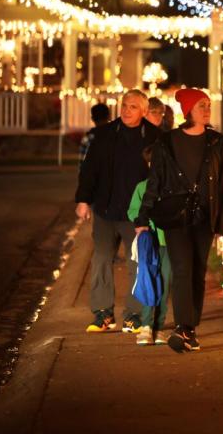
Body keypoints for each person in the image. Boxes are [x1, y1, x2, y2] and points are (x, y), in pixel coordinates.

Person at [136, 88, 223, 353]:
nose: (206, 109)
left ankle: (190, 328)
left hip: (205, 217)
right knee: (181, 269)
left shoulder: (217, 142)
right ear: (188, 110)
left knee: (197, 270)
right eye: (201, 105)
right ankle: (183, 327)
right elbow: (154, 182)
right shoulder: (166, 142)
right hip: (175, 216)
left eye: (208, 105)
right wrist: (142, 217)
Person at [76, 89, 161, 333]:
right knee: (101, 259)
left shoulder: (155, 137)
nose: (126, 110)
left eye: (133, 107)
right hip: (105, 209)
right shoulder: (105, 134)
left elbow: (159, 178)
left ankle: (133, 314)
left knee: (136, 263)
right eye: (124, 105)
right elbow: (89, 169)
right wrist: (83, 200)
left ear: (144, 112)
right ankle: (102, 312)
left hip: (135, 214)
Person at [126, 145, 172, 346]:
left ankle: (159, 327)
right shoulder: (142, 187)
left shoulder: (173, 186)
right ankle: (146, 325)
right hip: (149, 242)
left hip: (169, 243)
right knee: (147, 279)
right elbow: (133, 211)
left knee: (165, 283)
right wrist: (141, 222)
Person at [78, 103, 111, 167]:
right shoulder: (116, 136)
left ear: (92, 118)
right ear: (108, 116)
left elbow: (82, 163)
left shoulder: (88, 138)